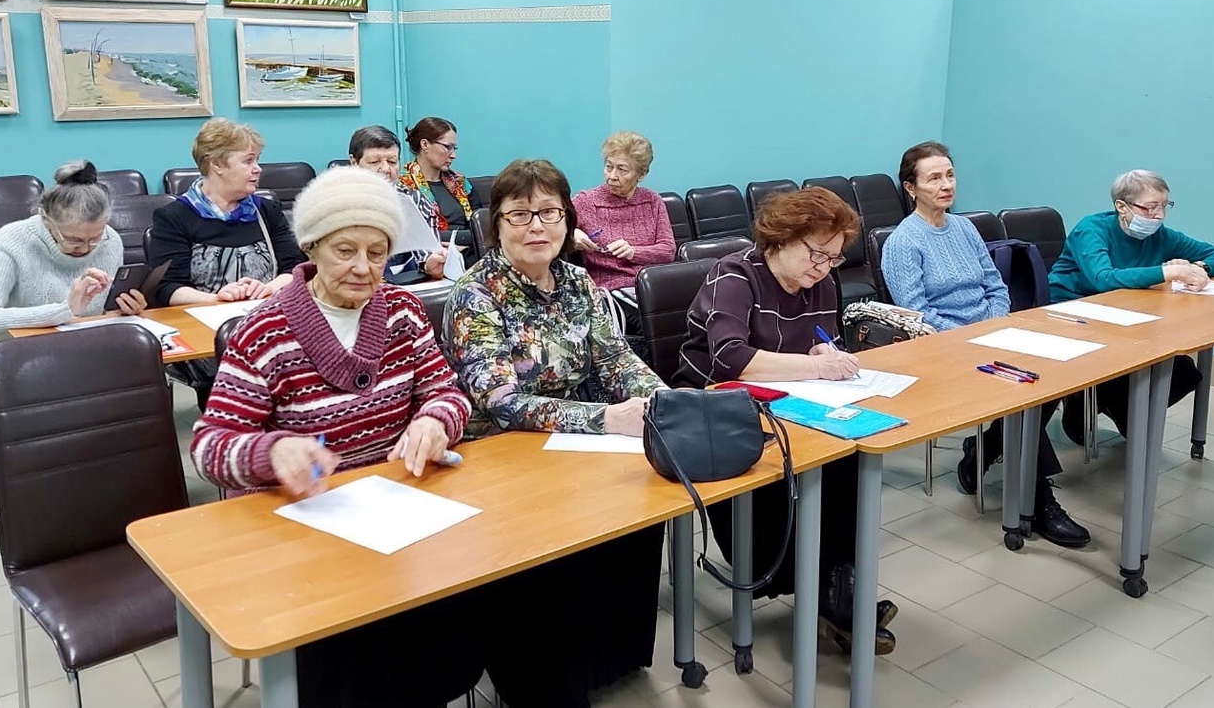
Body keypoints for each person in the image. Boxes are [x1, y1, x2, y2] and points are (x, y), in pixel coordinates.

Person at [192, 166, 481, 708]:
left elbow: (447, 391)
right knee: (345, 664)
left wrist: (435, 420)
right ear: (312, 246)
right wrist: (273, 450)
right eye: (345, 250)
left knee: (445, 627)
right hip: (307, 528)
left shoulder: (402, 311)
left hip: (400, 511)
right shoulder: (264, 331)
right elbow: (211, 446)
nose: (363, 268)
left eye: (377, 252)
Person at [443, 159, 663, 707]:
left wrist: (663, 399)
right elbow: (499, 401)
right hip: (503, 458)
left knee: (641, 508)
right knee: (549, 571)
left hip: (578, 447)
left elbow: (615, 360)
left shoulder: (577, 280)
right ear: (496, 224)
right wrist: (604, 420)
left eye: (549, 212)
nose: (537, 226)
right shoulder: (476, 293)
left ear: (567, 220)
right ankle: (541, 679)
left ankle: (610, 657)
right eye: (520, 214)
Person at [675, 187, 899, 654]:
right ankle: (830, 596)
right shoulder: (735, 275)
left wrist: (825, 351)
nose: (824, 268)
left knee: (851, 457)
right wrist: (816, 368)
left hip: (787, 405)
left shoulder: (822, 283)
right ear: (780, 239)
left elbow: (824, 340)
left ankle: (835, 590)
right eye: (817, 254)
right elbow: (731, 359)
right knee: (800, 469)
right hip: (716, 412)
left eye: (834, 258)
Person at [881, 141, 1089, 549]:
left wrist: (994, 324)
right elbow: (917, 315)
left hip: (991, 335)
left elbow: (995, 285)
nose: (946, 185)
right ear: (911, 187)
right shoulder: (903, 242)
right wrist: (970, 338)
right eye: (933, 178)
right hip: (944, 348)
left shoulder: (964, 228)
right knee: (1025, 391)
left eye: (950, 175)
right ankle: (1039, 501)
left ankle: (984, 448)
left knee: (1054, 378)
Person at [1050, 169, 1214, 444]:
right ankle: (1085, 402)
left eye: (1164, 206)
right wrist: (1167, 272)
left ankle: (1119, 410)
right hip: (1074, 313)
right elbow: (1102, 278)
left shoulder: (1161, 236)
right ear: (1121, 207)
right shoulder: (1091, 229)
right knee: (1129, 364)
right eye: (1150, 207)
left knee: (1184, 371)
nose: (1159, 216)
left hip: (1127, 315)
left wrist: (1199, 267)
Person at [147, 118, 305, 408]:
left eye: (257, 160)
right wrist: (215, 298)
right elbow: (167, 288)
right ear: (217, 164)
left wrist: (269, 287)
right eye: (248, 161)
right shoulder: (175, 218)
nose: (258, 169)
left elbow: (295, 267)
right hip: (207, 331)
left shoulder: (266, 211)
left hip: (267, 320)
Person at [0, 160, 146, 341]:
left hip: (85, 347)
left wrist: (124, 311)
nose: (85, 248)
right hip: (22, 352)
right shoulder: (13, 240)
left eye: (95, 239)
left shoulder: (110, 240)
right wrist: (63, 310)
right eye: (73, 240)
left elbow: (99, 316)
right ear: (46, 219)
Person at [571, 131, 676, 291]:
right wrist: (571, 234)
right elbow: (553, 230)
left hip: (651, 286)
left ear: (641, 174)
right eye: (609, 167)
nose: (612, 176)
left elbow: (668, 251)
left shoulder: (652, 201)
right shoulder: (585, 201)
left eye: (622, 170)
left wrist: (633, 252)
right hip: (608, 289)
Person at [348, 124, 448, 279]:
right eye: (374, 162)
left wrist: (431, 264)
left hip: (404, 282)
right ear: (354, 163)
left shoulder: (413, 199)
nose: (385, 169)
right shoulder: (337, 203)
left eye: (392, 161)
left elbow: (427, 252)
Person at [397, 116, 483, 249]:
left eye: (454, 148)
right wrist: (468, 238)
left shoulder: (460, 182)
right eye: (447, 147)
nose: (453, 155)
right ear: (425, 145)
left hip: (471, 250)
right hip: (430, 254)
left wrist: (465, 243)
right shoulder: (403, 186)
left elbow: (482, 225)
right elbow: (417, 234)